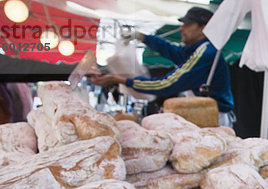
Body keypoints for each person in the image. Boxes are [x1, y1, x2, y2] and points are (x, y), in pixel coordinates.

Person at [89, 7, 235, 127]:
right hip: (206, 114)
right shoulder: (196, 50)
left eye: (188, 25)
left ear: (203, 29)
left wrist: (122, 80)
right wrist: (142, 37)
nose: (181, 29)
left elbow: (165, 84)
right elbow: (172, 51)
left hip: (214, 118)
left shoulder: (205, 53)